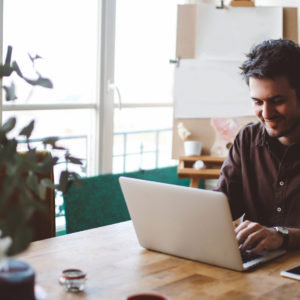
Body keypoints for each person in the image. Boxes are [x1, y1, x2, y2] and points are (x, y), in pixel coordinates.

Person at [215, 39, 300, 255]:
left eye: (277, 100)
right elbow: (221, 207)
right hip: (257, 270)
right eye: (258, 102)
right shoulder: (247, 140)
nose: (267, 113)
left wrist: (282, 237)